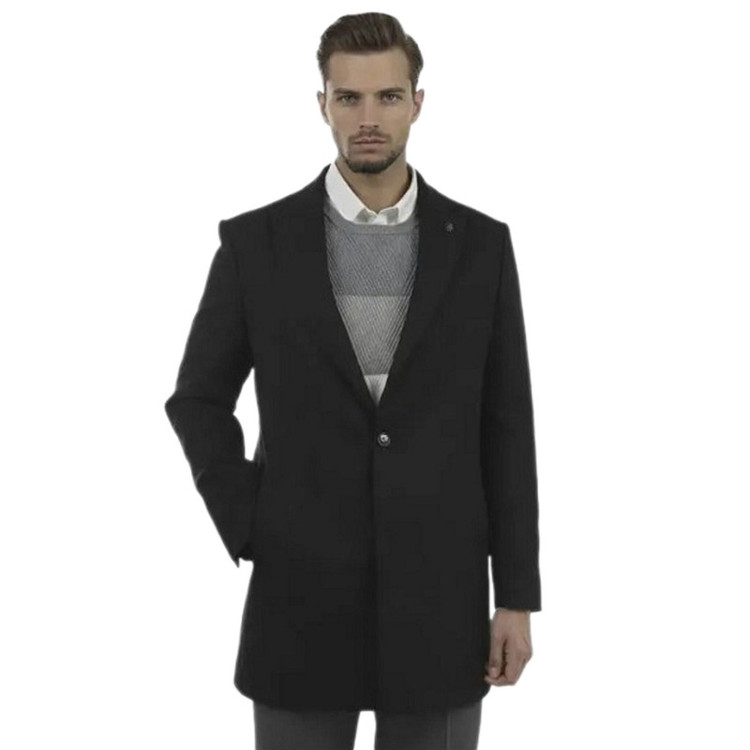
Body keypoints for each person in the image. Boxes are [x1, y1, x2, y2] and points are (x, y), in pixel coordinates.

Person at [164, 11, 541, 750]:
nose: (369, 118)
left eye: (388, 97)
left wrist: (517, 595)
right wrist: (252, 520)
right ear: (323, 105)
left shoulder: (482, 248)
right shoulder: (256, 245)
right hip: (299, 599)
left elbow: (506, 428)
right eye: (349, 98)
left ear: (417, 103)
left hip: (441, 603)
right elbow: (198, 399)